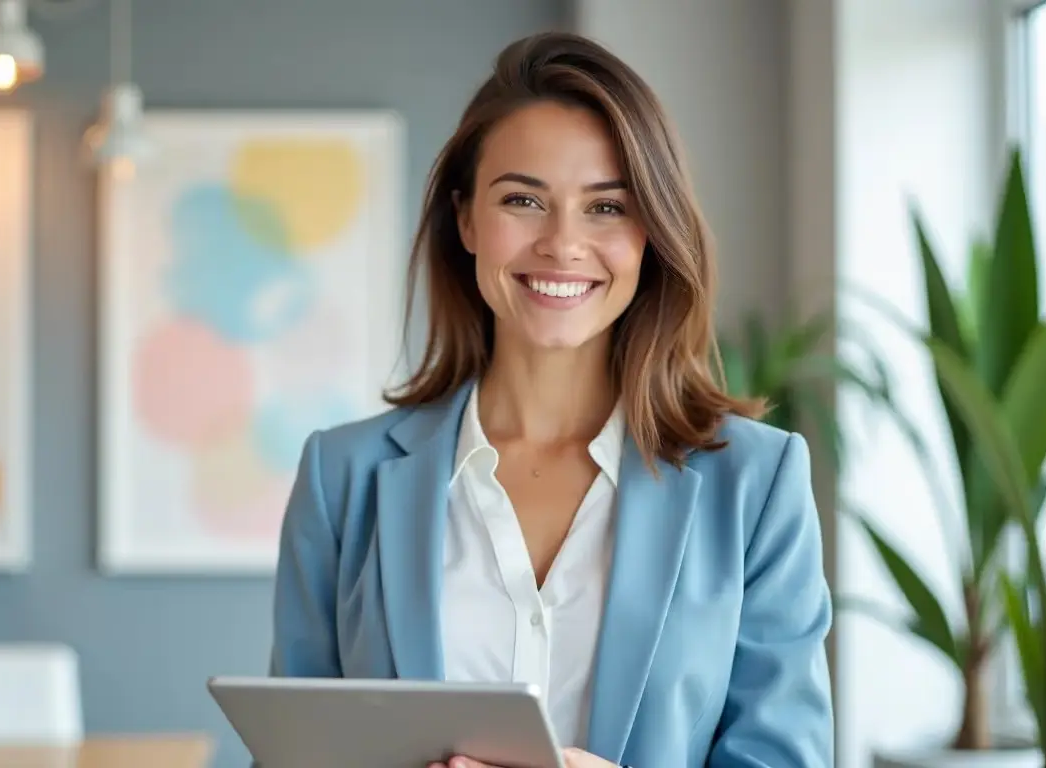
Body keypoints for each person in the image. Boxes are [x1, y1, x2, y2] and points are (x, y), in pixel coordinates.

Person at [267, 30, 834, 768]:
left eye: (605, 207)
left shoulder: (756, 483)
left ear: (650, 233)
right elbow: (292, 752)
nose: (563, 244)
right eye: (524, 200)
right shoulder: (341, 477)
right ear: (466, 218)